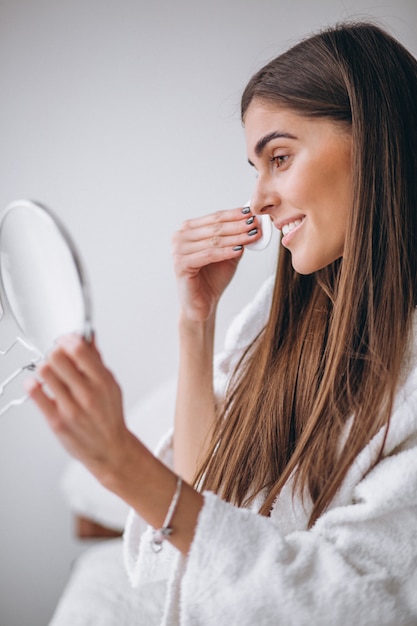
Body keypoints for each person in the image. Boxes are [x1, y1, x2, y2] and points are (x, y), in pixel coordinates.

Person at [25, 20, 417, 625]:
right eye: (255, 168)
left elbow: (351, 600)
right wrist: (195, 320)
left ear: (375, 141)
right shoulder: (282, 316)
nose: (258, 198)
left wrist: (122, 466)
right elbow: (211, 499)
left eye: (279, 158)